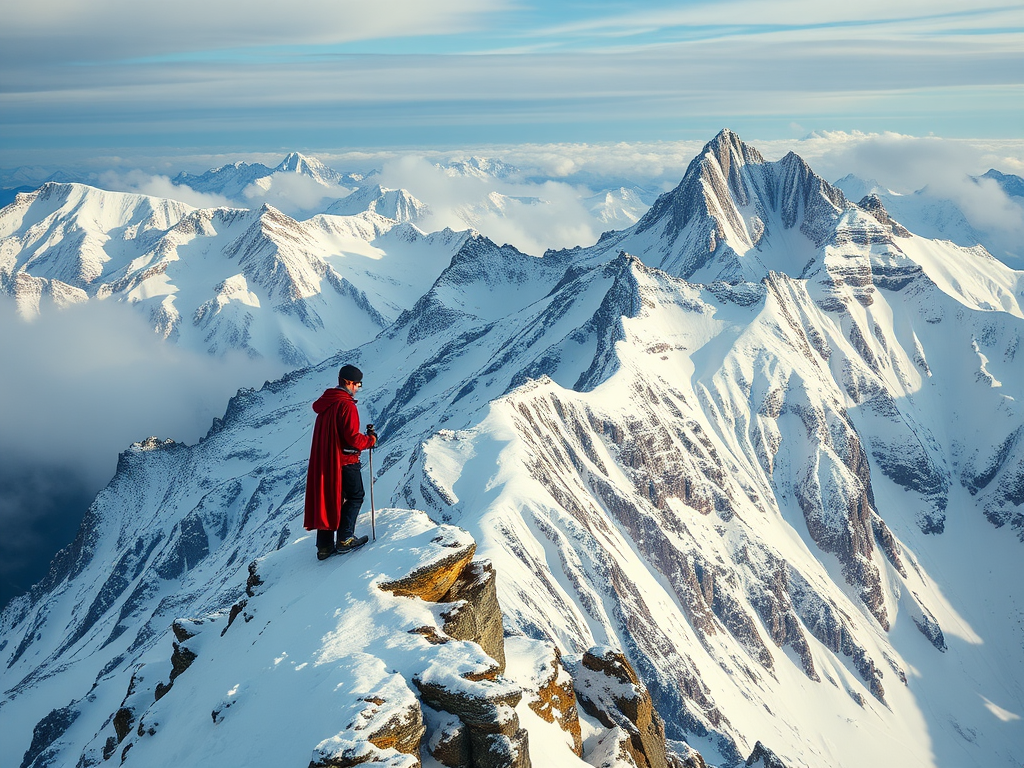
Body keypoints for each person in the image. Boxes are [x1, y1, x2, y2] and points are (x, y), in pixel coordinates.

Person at [304, 364, 378, 560]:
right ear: (348, 382)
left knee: (330, 498)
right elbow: (352, 438)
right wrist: (370, 440)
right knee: (356, 496)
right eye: (357, 384)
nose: (358, 388)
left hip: (326, 460)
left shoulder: (326, 403)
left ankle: (324, 547)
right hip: (345, 460)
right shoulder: (346, 405)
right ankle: (345, 539)